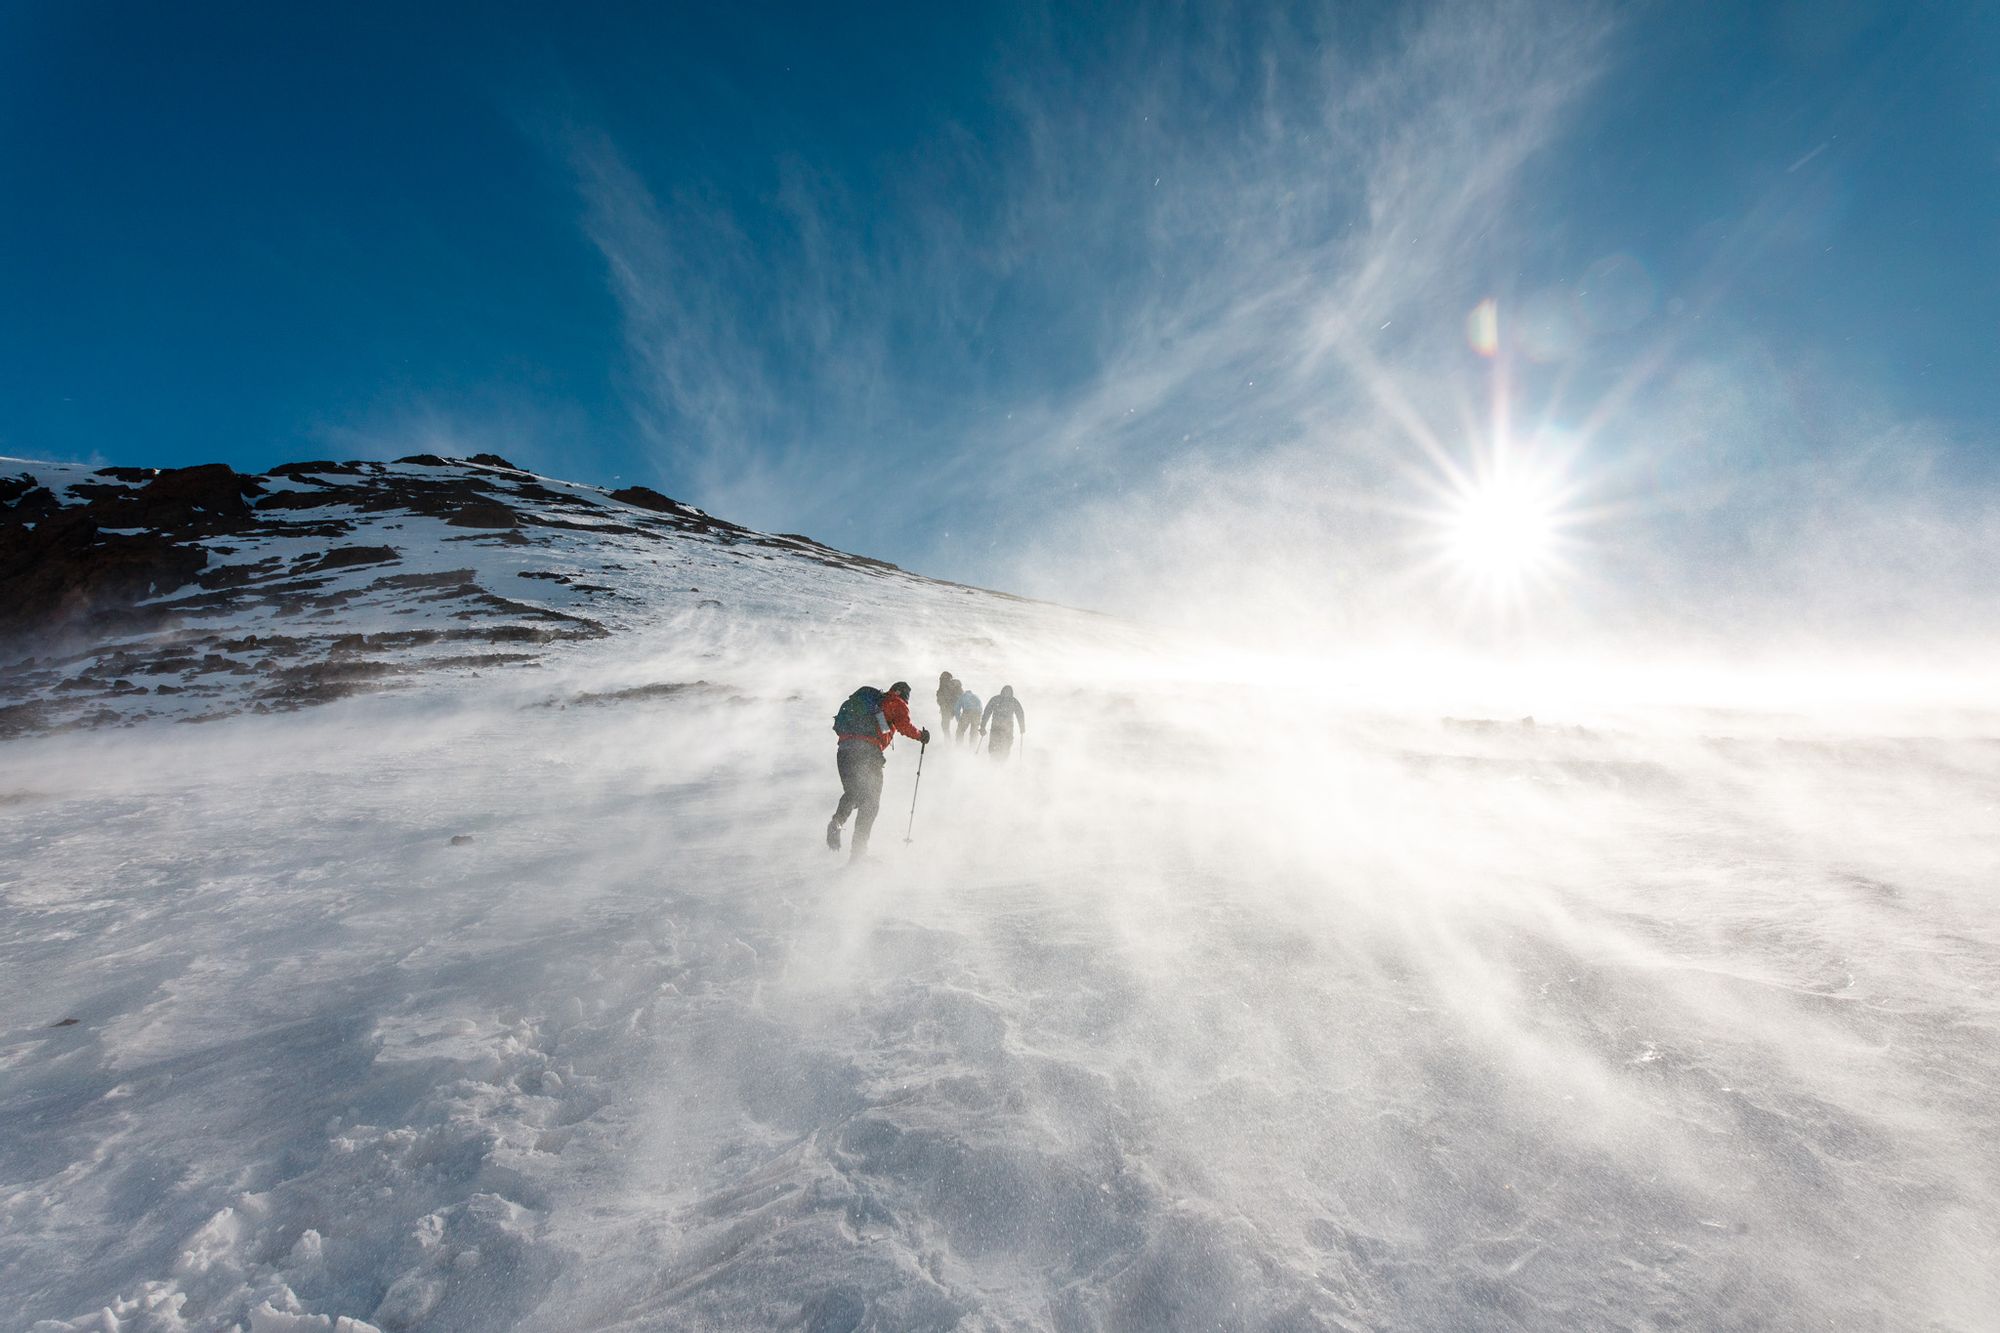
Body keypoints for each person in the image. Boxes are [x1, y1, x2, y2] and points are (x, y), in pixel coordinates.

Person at [827, 681, 929, 858]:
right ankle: (858, 855)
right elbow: (904, 726)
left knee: (854, 793)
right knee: (871, 804)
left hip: (844, 752)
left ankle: (837, 821)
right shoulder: (895, 702)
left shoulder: (873, 704)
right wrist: (921, 736)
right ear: (901, 692)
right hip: (868, 753)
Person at [982, 684, 1026, 760]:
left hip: (996, 727)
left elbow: (987, 712)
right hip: (1007, 728)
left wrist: (983, 726)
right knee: (1006, 745)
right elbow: (1020, 714)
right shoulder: (1013, 701)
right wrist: (1022, 728)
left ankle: (993, 761)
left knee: (994, 744)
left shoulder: (995, 699)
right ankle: (1002, 761)